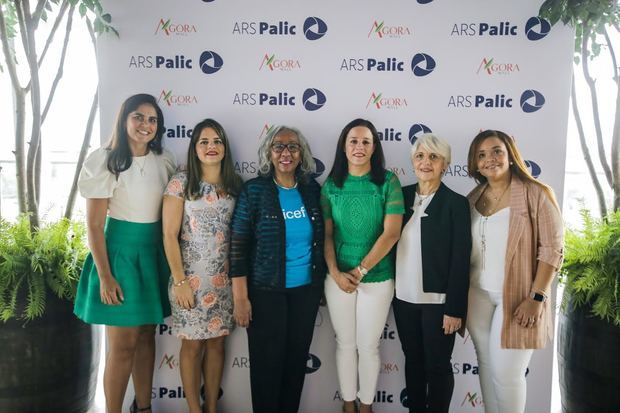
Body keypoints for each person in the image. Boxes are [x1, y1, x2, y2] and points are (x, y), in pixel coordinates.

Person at [74, 93, 176, 413]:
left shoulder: (165, 160)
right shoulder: (104, 160)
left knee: (147, 335)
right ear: (124, 119)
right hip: (119, 257)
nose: (145, 125)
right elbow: (93, 226)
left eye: (152, 120)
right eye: (138, 117)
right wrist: (105, 276)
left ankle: (143, 408)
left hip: (154, 254)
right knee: (121, 346)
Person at [466, 130, 564, 413]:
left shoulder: (536, 193)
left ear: (510, 154)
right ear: (475, 163)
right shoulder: (473, 198)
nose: (490, 159)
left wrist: (537, 297)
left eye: (497, 151)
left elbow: (552, 249)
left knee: (507, 376)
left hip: (520, 298)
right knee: (486, 365)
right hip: (477, 296)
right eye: (481, 155)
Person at [229, 125, 326, 413]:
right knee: (266, 369)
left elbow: (322, 238)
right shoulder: (255, 190)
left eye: (293, 146)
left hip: (305, 293)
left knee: (295, 366)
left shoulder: (311, 189)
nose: (286, 152)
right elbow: (238, 247)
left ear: (302, 153)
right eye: (278, 146)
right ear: (268, 153)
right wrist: (240, 298)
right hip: (264, 293)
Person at [321, 118, 404, 413]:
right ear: (344, 146)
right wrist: (335, 272)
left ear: (374, 147)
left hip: (377, 277)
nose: (359, 147)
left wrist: (361, 271)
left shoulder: (388, 182)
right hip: (338, 277)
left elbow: (391, 233)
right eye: (353, 141)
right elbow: (327, 235)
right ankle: (347, 405)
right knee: (345, 344)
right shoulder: (331, 185)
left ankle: (366, 406)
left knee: (368, 347)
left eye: (366, 142)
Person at [162, 119, 242, 413]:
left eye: (217, 141)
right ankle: (194, 409)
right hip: (189, 283)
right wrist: (180, 281)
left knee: (217, 346)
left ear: (225, 147)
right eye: (204, 142)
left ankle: (211, 408)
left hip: (225, 283)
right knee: (193, 347)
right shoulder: (180, 182)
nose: (211, 147)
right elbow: (169, 235)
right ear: (194, 148)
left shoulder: (235, 185)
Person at [393, 133, 471, 413]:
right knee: (412, 362)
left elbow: (461, 260)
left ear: (445, 165)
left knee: (437, 367)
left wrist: (455, 309)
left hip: (439, 304)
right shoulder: (399, 196)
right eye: (420, 156)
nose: (426, 162)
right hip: (403, 299)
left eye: (434, 157)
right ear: (413, 161)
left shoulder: (456, 204)